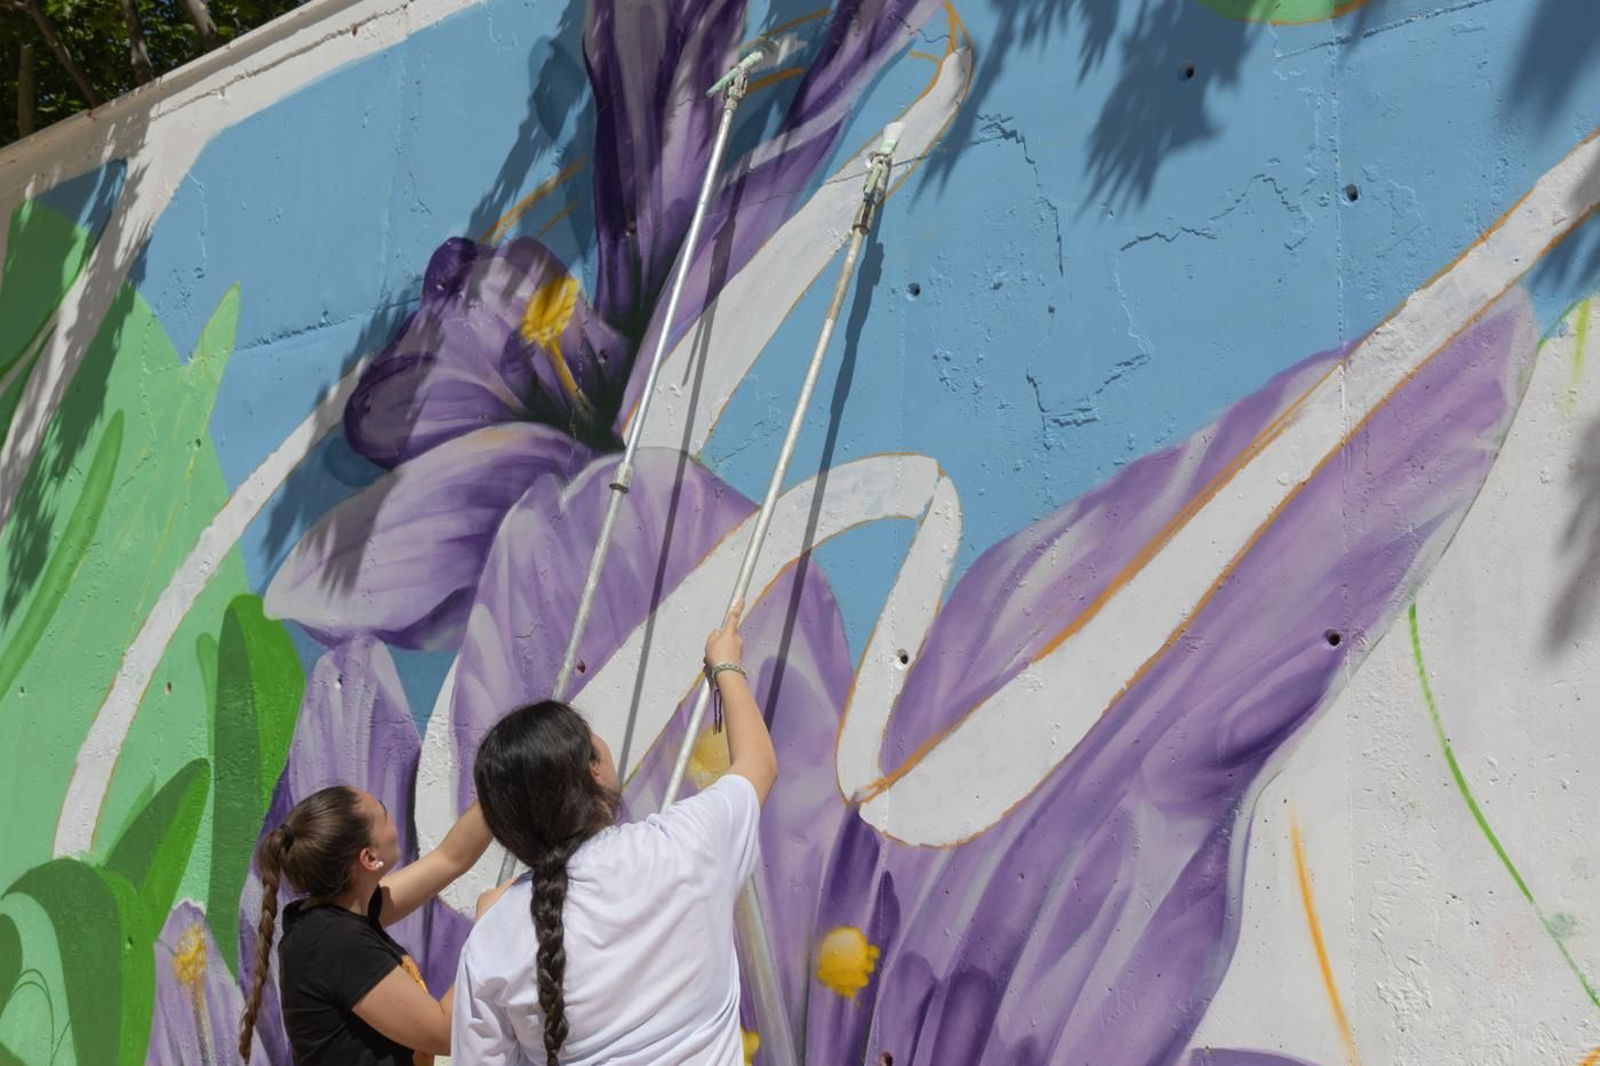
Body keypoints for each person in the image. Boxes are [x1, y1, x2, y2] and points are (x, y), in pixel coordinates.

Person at [454, 600, 777, 1065]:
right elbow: (758, 764)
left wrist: (502, 908)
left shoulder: (492, 939)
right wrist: (726, 662)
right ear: (594, 771)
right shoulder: (684, 846)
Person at [238, 783, 494, 1064]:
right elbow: (444, 1033)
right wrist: (489, 928)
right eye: (383, 813)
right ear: (370, 858)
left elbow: (451, 857)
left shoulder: (337, 914)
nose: (391, 816)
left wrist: (502, 785)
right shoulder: (335, 942)